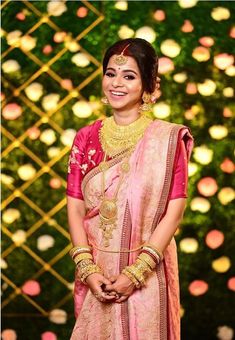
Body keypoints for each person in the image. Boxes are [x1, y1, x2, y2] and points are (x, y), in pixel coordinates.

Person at [66, 38, 194, 340]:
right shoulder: (86, 138)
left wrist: (136, 273)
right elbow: (74, 205)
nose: (116, 83)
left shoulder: (168, 139)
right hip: (96, 271)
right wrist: (87, 267)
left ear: (149, 84)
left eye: (129, 76)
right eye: (110, 74)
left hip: (148, 275)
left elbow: (174, 211)